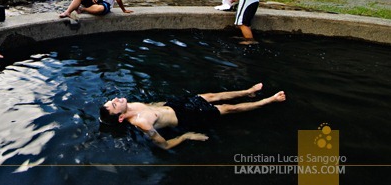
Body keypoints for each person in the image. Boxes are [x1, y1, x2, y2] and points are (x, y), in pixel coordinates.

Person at [100, 83, 285, 150]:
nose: (116, 99)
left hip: (176, 105)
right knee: (227, 109)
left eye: (113, 100)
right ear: (121, 118)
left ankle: (248, 91)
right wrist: (186, 136)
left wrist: (166, 103)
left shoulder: (131, 104)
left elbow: (154, 106)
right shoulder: (142, 124)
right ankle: (269, 101)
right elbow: (164, 145)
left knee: (212, 95)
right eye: (114, 104)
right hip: (187, 117)